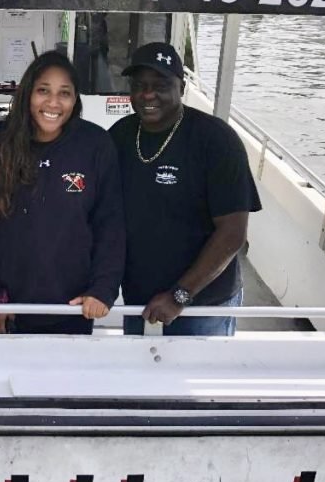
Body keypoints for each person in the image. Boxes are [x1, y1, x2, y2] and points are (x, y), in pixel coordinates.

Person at [108, 42, 261, 336]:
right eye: (139, 85)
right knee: (137, 367)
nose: (148, 94)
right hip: (139, 300)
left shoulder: (217, 140)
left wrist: (180, 295)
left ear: (181, 86)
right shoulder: (120, 135)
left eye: (160, 85)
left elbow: (232, 234)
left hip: (202, 304)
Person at [0, 51, 125, 335]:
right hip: (10, 310)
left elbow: (110, 225)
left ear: (75, 99)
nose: (53, 103)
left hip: (75, 307)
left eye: (64, 93)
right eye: (43, 90)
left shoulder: (96, 145)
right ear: (27, 94)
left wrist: (102, 289)